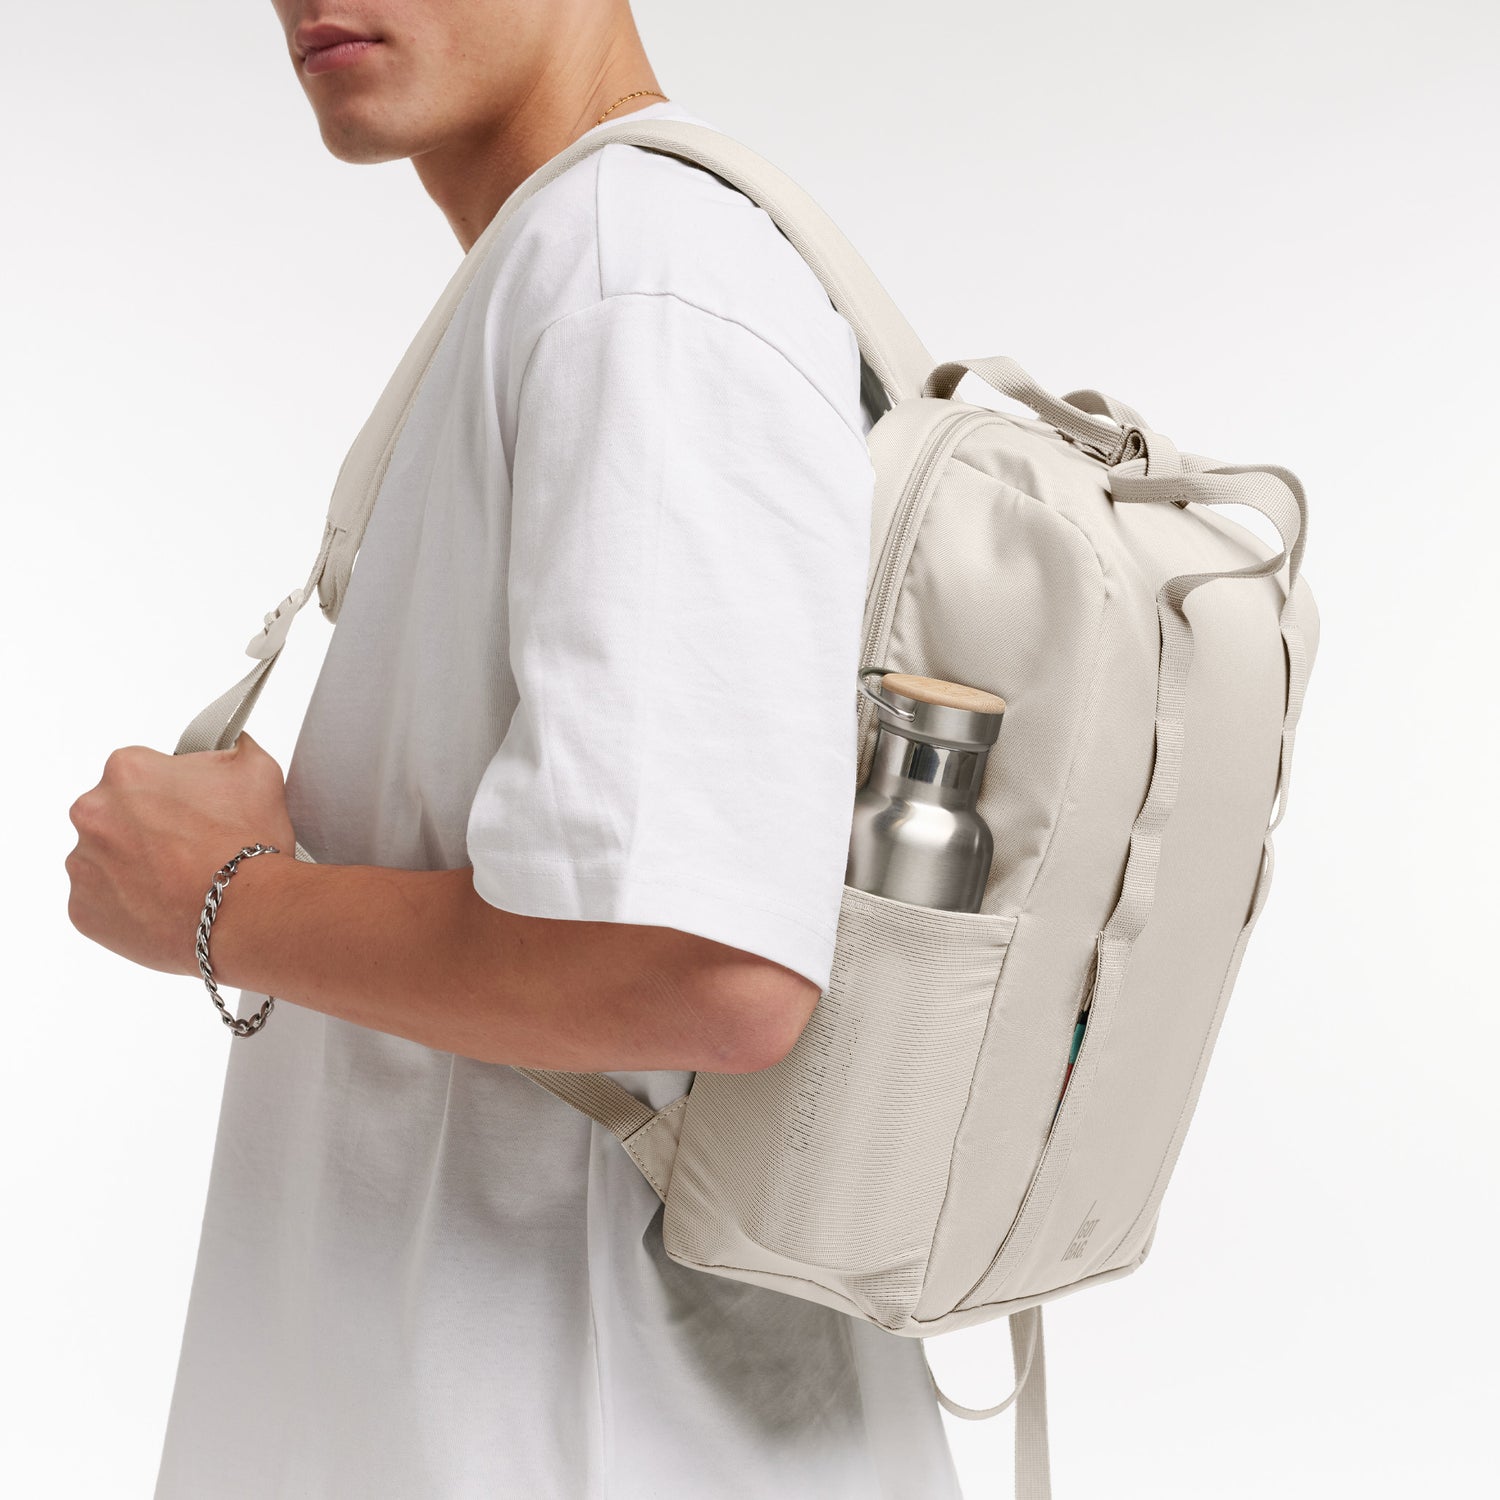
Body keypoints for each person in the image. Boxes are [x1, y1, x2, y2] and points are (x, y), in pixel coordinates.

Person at [65, 2, 965, 1496]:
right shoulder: (583, 261)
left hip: (590, 1430)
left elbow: (706, 968)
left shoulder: (638, 275)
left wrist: (220, 901)